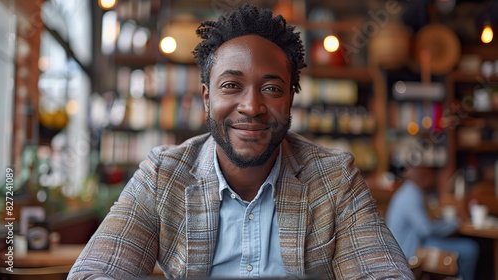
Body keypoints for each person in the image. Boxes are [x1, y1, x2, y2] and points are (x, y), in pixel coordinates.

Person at [68, 4, 414, 279]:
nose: (251, 106)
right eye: (231, 85)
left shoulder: (335, 179)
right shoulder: (163, 177)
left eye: (271, 88)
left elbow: (382, 272)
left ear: (290, 100)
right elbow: (98, 270)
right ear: (206, 98)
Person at [386, 165, 478, 280]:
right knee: (470, 249)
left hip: (412, 245)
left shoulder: (409, 191)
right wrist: (455, 223)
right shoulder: (411, 195)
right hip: (409, 252)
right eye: (431, 175)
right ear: (424, 177)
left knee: (466, 247)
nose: (433, 179)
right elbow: (426, 230)